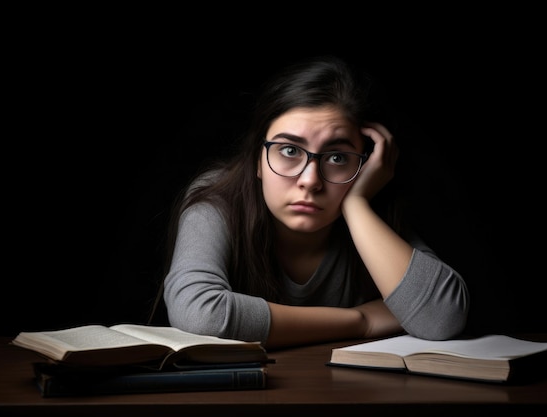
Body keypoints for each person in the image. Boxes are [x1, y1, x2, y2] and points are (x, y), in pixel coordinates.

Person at [161, 55, 470, 349]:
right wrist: (360, 321)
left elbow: (442, 319)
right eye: (289, 151)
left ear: (364, 165)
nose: (310, 180)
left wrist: (357, 205)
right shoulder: (219, 198)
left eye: (337, 157)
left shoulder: (375, 211)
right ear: (257, 158)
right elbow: (201, 313)